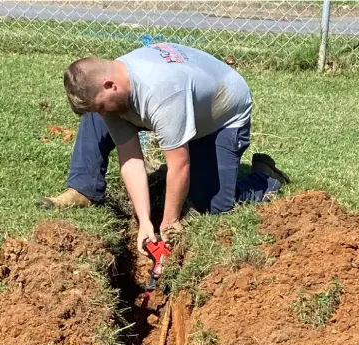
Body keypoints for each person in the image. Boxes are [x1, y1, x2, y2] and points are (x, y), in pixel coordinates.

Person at [38, 43, 290, 254]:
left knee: (213, 205)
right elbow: (131, 158)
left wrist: (169, 222)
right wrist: (144, 221)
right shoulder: (114, 87)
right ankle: (83, 190)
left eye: (102, 104)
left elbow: (180, 164)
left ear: (109, 84)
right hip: (184, 103)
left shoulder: (161, 92)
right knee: (94, 117)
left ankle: (265, 179)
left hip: (221, 118)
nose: (103, 111)